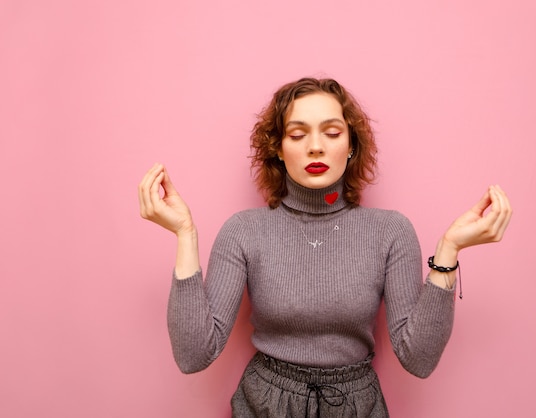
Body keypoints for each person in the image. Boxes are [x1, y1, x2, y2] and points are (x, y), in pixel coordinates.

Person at [138, 77, 512, 417]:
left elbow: (419, 360)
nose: (315, 147)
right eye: (297, 135)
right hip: (264, 405)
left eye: (332, 132)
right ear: (279, 150)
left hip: (356, 407)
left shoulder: (390, 231)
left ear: (351, 145)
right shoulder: (243, 231)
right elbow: (193, 355)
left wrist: (448, 251)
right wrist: (185, 234)